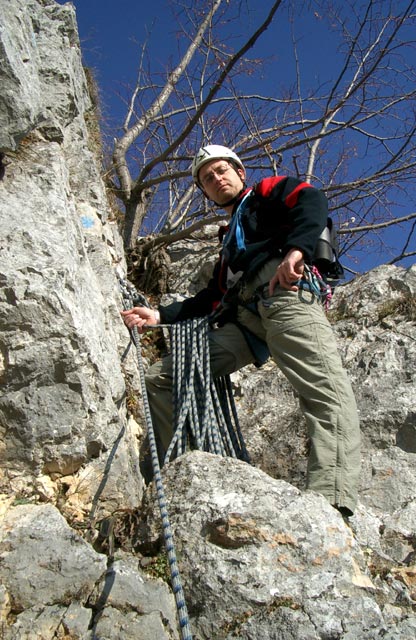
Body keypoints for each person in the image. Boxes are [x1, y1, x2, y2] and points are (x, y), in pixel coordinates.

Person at [122, 144, 361, 516]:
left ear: (239, 172)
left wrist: (298, 249)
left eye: (221, 171)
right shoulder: (230, 244)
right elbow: (211, 296)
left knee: (323, 389)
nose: (216, 179)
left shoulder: (266, 193)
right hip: (244, 316)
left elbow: (311, 199)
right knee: (163, 376)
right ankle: (176, 476)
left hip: (285, 293)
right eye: (207, 179)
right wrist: (158, 315)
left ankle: (332, 500)